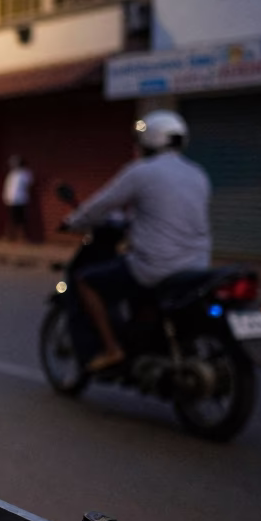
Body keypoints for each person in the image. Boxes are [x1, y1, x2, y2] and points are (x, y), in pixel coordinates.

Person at [66, 110, 211, 373]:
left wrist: (74, 222)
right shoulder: (198, 173)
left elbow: (101, 204)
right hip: (197, 266)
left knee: (86, 281)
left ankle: (112, 349)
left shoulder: (140, 172)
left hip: (155, 266)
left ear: (150, 140)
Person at [2, 155, 34, 242]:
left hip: (21, 200)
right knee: (11, 220)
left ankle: (21, 238)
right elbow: (7, 187)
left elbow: (29, 186)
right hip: (11, 200)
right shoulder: (11, 174)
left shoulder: (25, 173)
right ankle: (11, 237)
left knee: (21, 220)